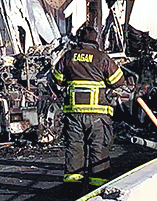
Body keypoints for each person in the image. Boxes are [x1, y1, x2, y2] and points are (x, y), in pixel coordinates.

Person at [52, 24, 125, 189]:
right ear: (96, 40)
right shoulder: (101, 57)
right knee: (99, 150)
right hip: (98, 115)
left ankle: (72, 188)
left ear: (78, 39)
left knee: (74, 148)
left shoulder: (68, 56)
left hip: (74, 114)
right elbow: (118, 81)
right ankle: (98, 187)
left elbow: (57, 78)